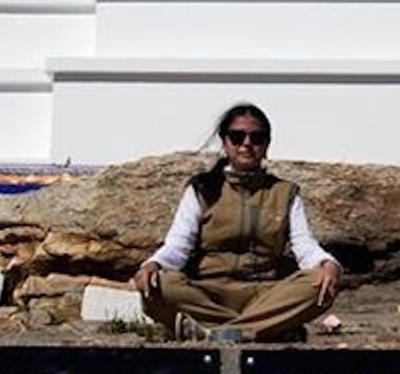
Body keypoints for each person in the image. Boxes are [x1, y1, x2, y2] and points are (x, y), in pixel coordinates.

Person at [133, 103, 341, 342]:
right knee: (158, 286)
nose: (247, 144)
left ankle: (215, 333)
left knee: (318, 287)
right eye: (237, 136)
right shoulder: (202, 189)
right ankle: (266, 329)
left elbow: (304, 246)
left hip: (265, 295)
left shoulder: (285, 192)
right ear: (225, 142)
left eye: (257, 137)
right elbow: (178, 245)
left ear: (267, 145)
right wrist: (153, 264)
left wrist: (327, 263)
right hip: (208, 294)